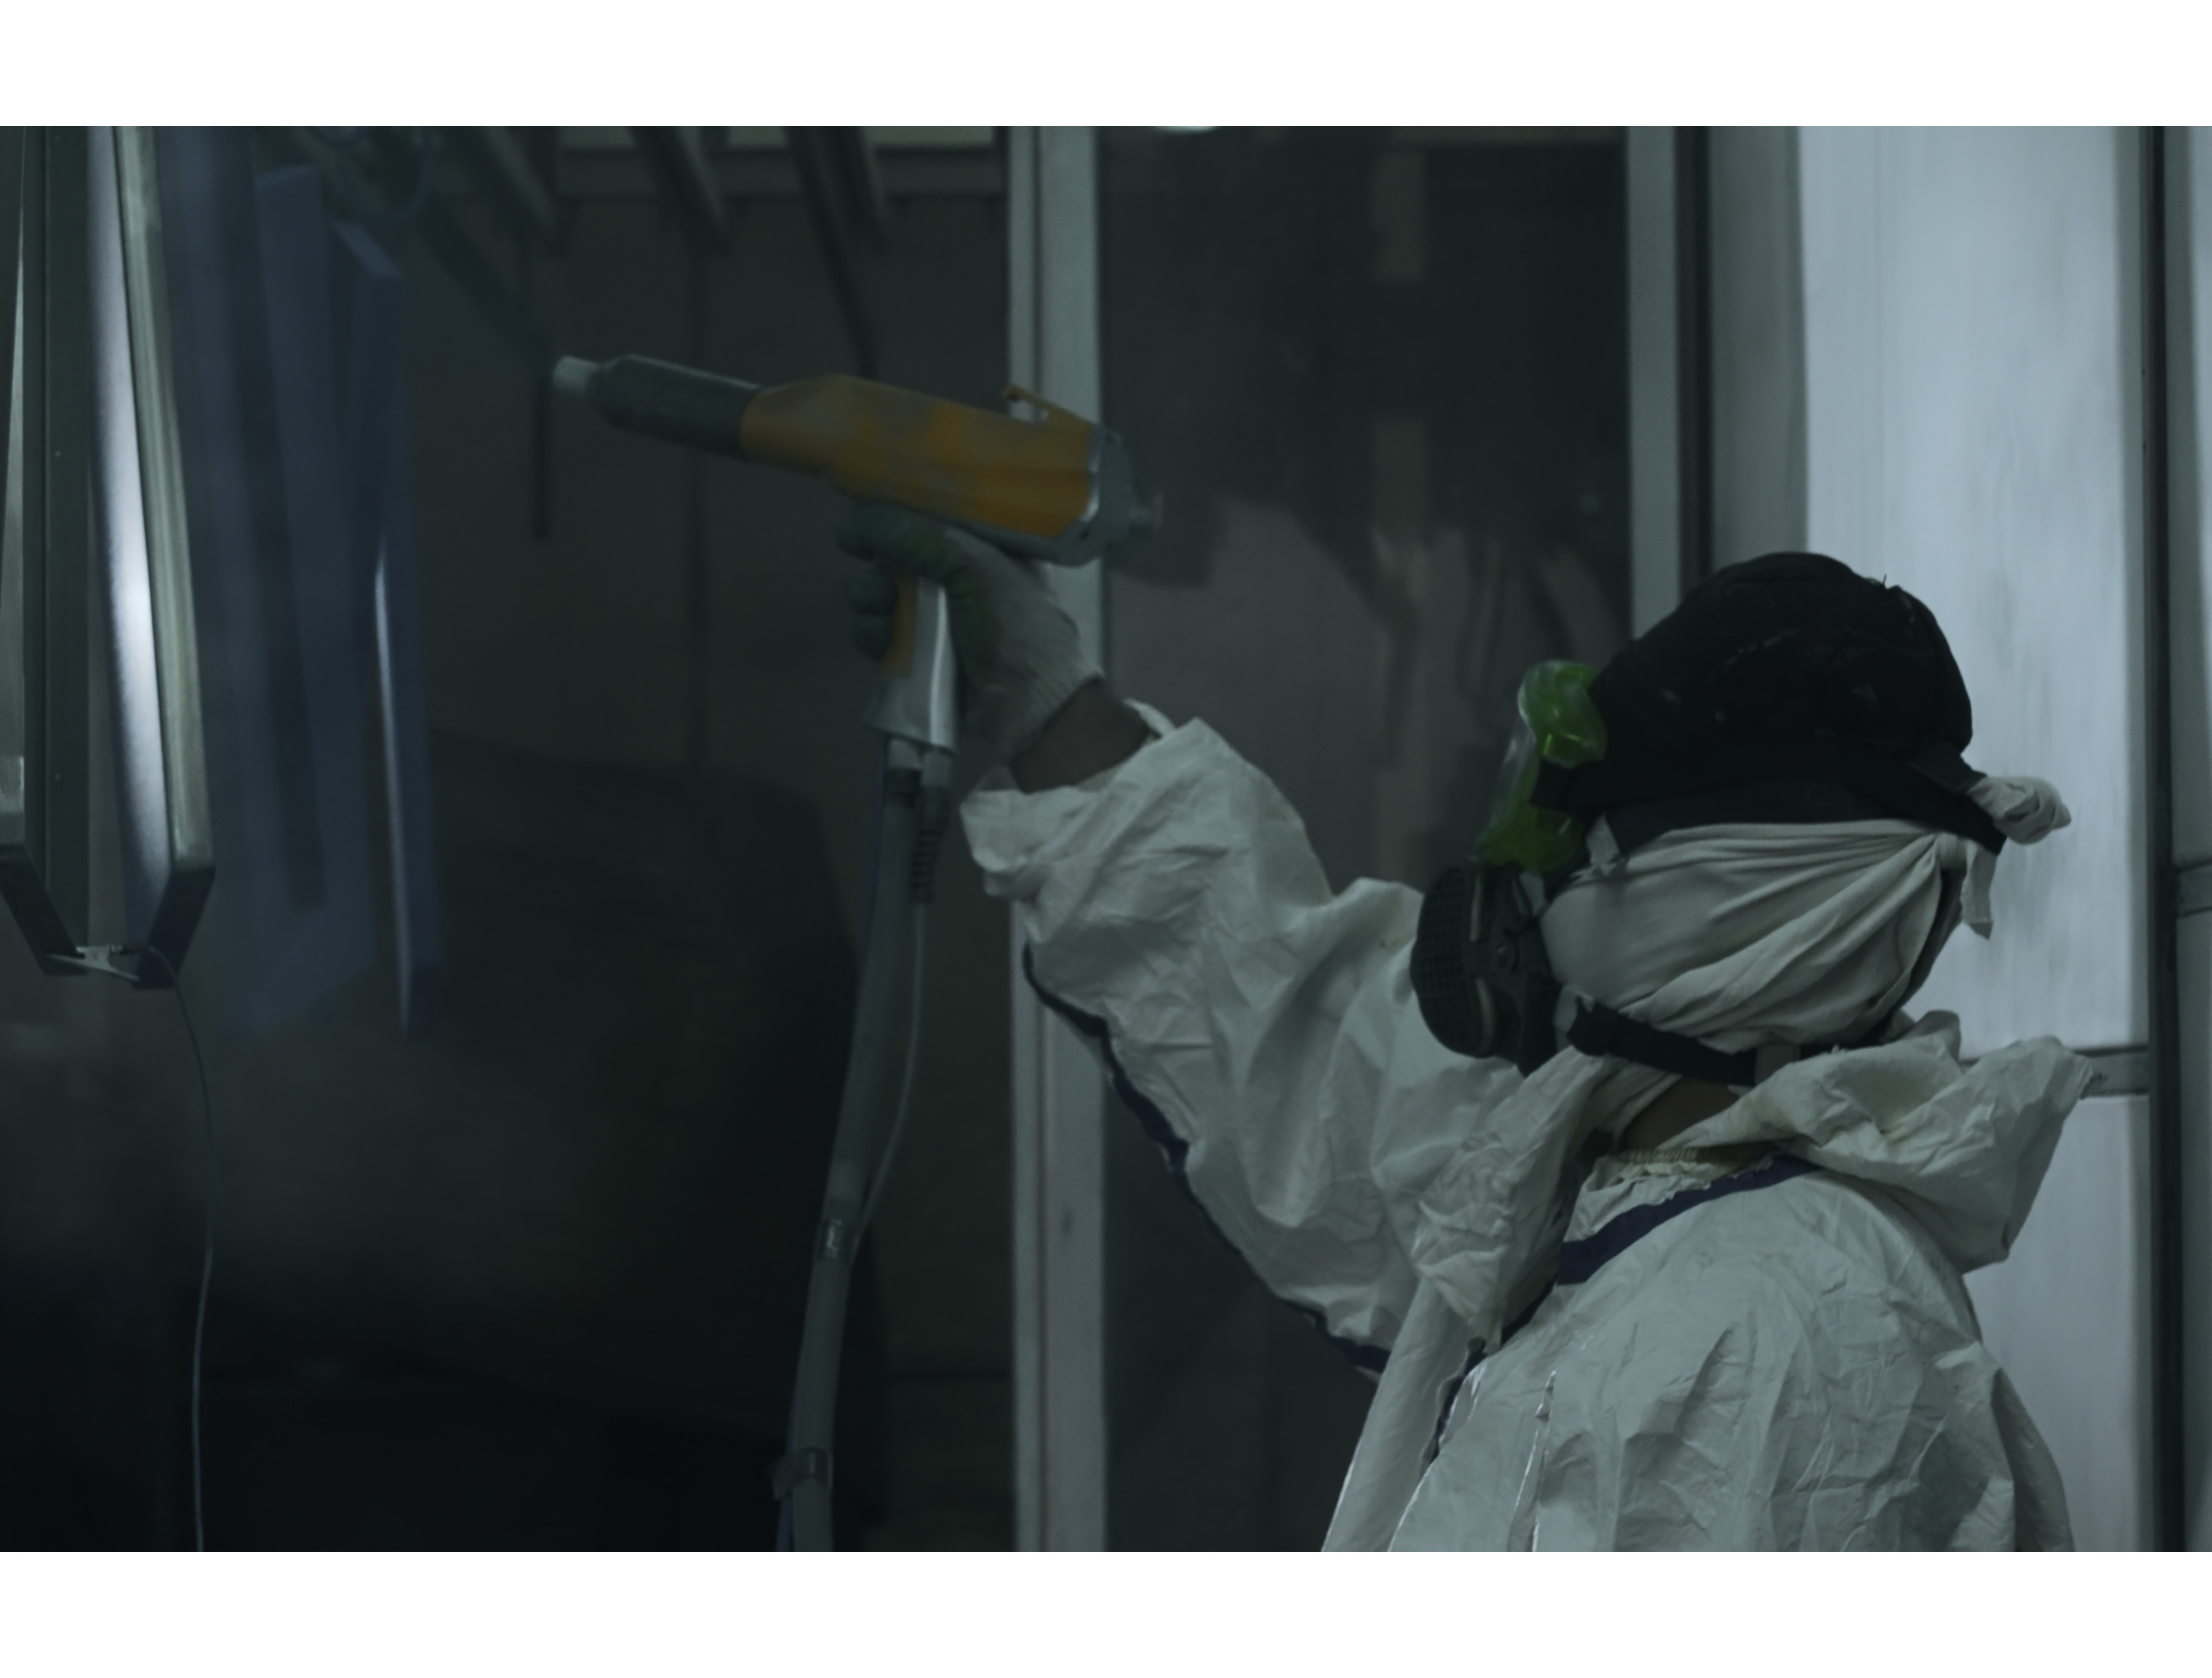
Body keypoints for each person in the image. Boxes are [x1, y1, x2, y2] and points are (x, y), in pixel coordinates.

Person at [838, 505, 2096, 1550]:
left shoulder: (1772, 1340)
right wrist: (1044, 699)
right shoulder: (1618, 1183)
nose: (1519, 876)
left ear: (1714, 895)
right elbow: (1315, 1051)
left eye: (1570, 828)